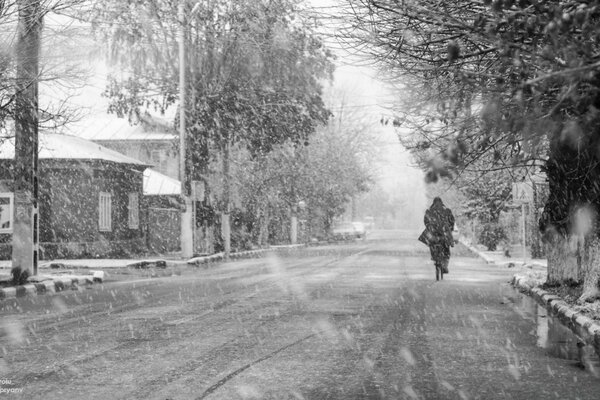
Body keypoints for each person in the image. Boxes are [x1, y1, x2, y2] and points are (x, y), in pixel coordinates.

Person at [423, 197, 455, 281]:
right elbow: (452, 221)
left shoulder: (429, 211)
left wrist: (430, 227)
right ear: (442, 202)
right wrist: (449, 229)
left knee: (431, 243)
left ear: (433, 203)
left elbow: (426, 222)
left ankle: (434, 256)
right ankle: (444, 265)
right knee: (446, 248)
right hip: (444, 234)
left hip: (433, 234)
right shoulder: (447, 211)